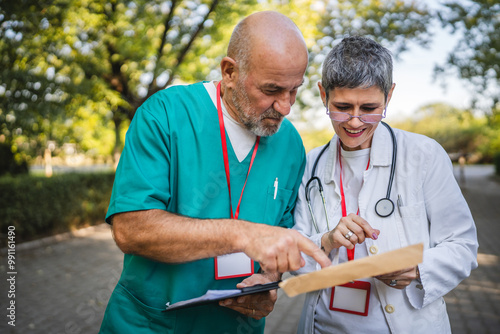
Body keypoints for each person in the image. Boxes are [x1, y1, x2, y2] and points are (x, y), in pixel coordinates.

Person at [99, 11, 331, 334]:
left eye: (294, 90)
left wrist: (270, 282)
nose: (285, 107)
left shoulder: (290, 144)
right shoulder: (164, 115)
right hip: (150, 325)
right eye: (272, 89)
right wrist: (242, 234)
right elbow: (130, 229)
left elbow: (280, 238)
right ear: (230, 72)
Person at [292, 36, 478, 333]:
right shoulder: (309, 166)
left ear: (389, 96)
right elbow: (295, 257)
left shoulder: (423, 155)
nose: (354, 122)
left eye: (369, 108)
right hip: (325, 324)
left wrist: (419, 267)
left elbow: (463, 246)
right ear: (322, 94)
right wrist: (326, 241)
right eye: (342, 107)